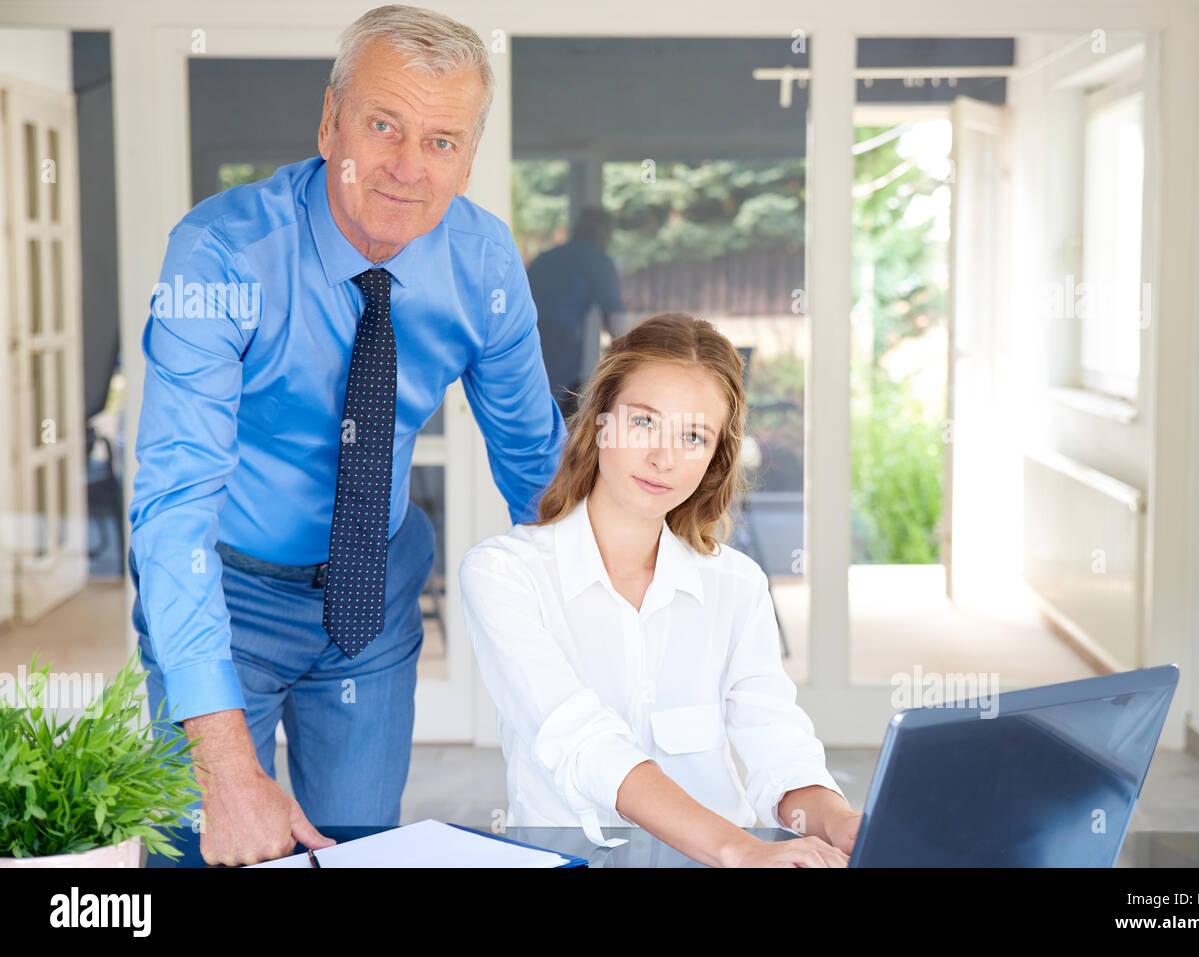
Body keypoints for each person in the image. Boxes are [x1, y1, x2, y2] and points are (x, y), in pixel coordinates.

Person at [127, 5, 565, 866]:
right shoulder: (220, 255)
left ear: (468, 159)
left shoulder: (482, 263)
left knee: (358, 851)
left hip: (371, 593)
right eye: (383, 125)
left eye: (442, 142)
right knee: (202, 845)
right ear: (330, 123)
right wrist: (224, 767)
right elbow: (173, 502)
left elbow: (537, 469)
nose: (408, 167)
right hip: (223, 590)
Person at [459, 313, 860, 867]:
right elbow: (585, 744)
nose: (664, 458)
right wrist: (742, 851)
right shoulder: (505, 575)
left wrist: (838, 822)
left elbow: (777, 745)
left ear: (715, 458)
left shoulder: (736, 585)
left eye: (693, 436)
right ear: (600, 422)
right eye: (643, 423)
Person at [527, 206, 626, 419]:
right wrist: (629, 357)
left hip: (523, 342)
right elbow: (616, 321)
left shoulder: (546, 259)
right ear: (603, 233)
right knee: (558, 418)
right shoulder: (598, 262)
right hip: (559, 349)